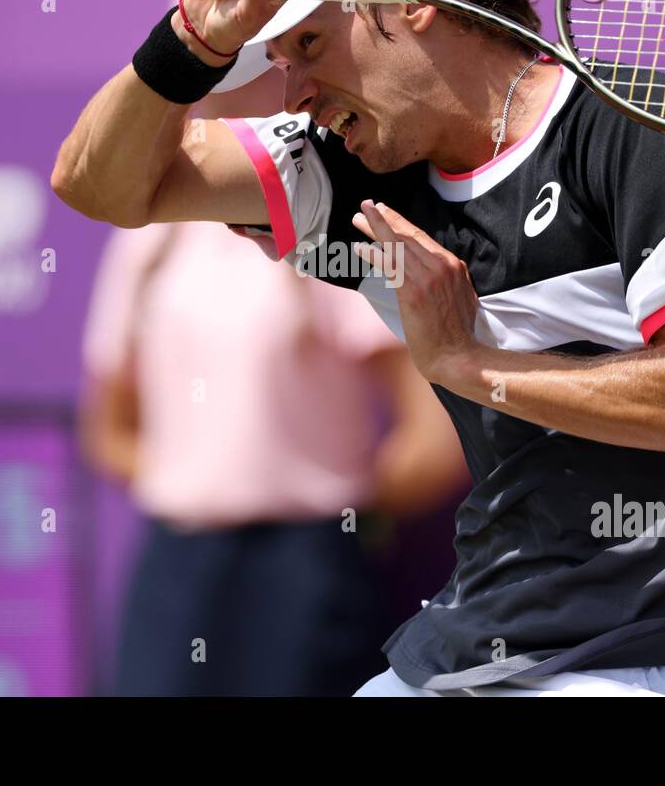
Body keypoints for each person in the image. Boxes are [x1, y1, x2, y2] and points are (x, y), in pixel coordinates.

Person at [52, 0, 665, 697]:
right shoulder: (345, 170)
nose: (294, 91)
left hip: (664, 658)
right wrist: (190, 41)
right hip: (471, 646)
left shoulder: (634, 126)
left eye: (308, 46)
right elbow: (101, 187)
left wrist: (468, 362)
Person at [79, 67, 467, 697]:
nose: (220, 82)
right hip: (176, 567)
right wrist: (202, 484)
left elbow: (432, 429)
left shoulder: (331, 215)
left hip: (307, 570)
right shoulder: (146, 243)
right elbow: (108, 427)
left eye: (244, 56)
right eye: (202, 59)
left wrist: (344, 519)